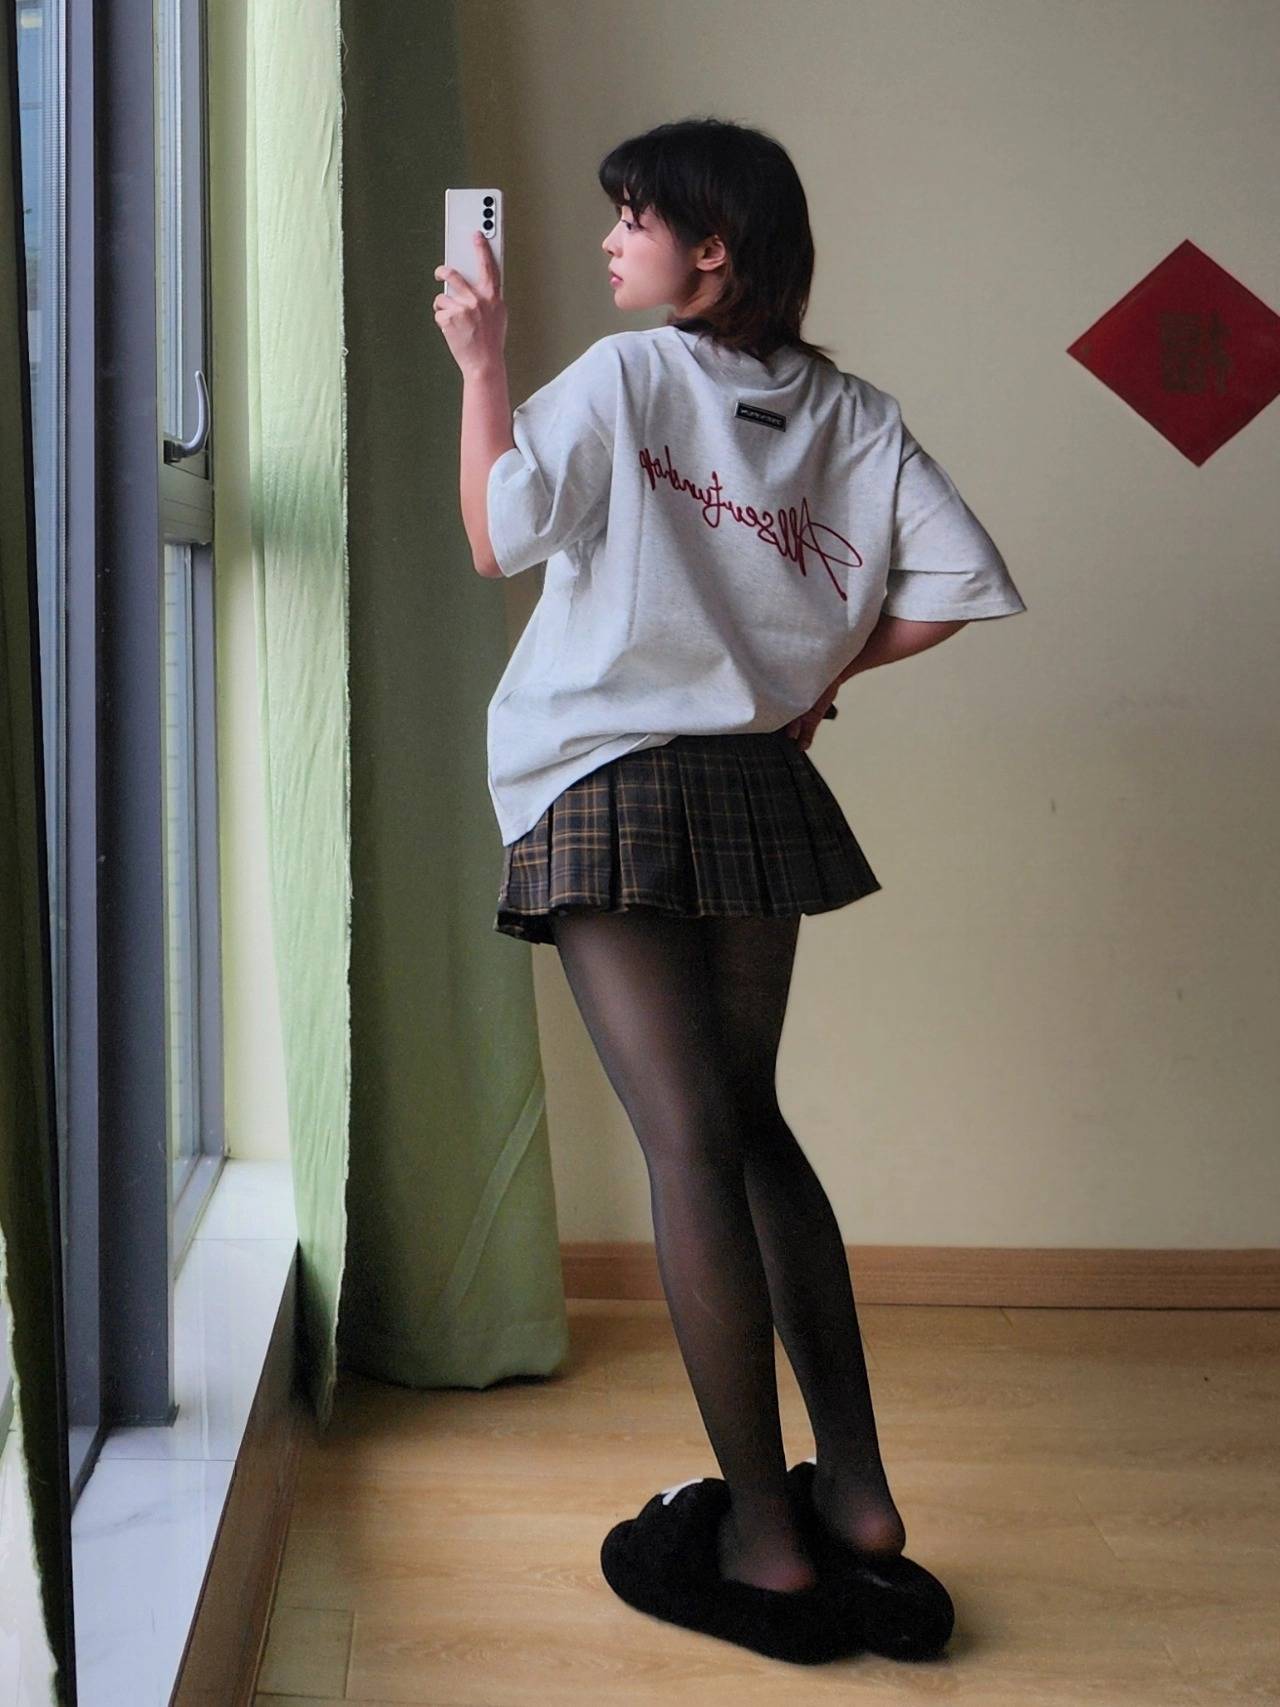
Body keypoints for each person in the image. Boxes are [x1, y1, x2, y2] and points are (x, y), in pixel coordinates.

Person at [433, 116, 1026, 1662]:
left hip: (605, 783)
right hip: (752, 789)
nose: (611, 238)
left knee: (688, 1142)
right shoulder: (856, 415)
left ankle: (764, 1537)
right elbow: (953, 587)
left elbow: (497, 536)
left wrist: (482, 364)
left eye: (636, 218)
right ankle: (862, 1497)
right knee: (751, 1124)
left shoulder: (630, 377)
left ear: (714, 248)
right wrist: (815, 678)